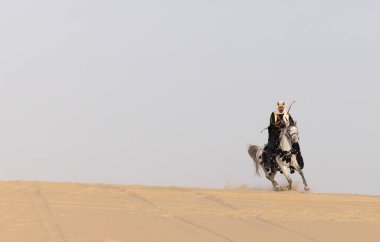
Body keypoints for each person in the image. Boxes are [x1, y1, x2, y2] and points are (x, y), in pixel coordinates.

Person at [262, 101, 304, 171]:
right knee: (270, 145)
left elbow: (292, 123)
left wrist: (288, 125)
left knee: (296, 144)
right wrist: (280, 125)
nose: (281, 108)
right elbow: (272, 124)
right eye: (280, 107)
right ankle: (268, 163)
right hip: (275, 133)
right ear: (278, 107)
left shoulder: (287, 114)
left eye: (282, 107)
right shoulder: (273, 114)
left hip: (285, 132)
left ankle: (299, 162)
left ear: (284, 107)